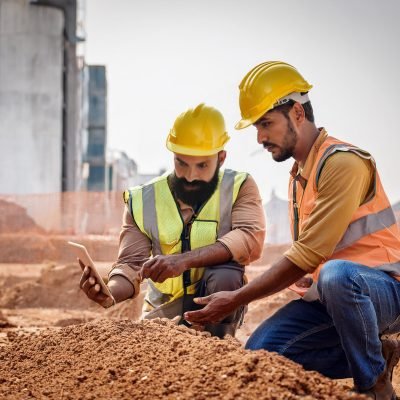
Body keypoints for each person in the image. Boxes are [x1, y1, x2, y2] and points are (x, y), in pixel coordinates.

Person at [184, 62, 400, 398]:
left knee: (337, 276)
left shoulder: (342, 162)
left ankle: (373, 384)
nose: (260, 137)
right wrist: (309, 274)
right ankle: (377, 353)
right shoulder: (300, 173)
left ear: (297, 112)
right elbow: (315, 255)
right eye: (257, 127)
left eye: (266, 124)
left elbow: (307, 255)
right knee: (261, 357)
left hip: (384, 291)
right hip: (334, 297)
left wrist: (235, 299)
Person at [79, 103, 266, 338]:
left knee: (226, 275)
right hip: (162, 313)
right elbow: (130, 264)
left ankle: (218, 346)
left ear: (221, 158)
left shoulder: (240, 187)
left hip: (215, 305)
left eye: (202, 165)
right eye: (181, 163)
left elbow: (250, 239)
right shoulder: (142, 200)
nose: (190, 176)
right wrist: (110, 292)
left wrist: (182, 261)